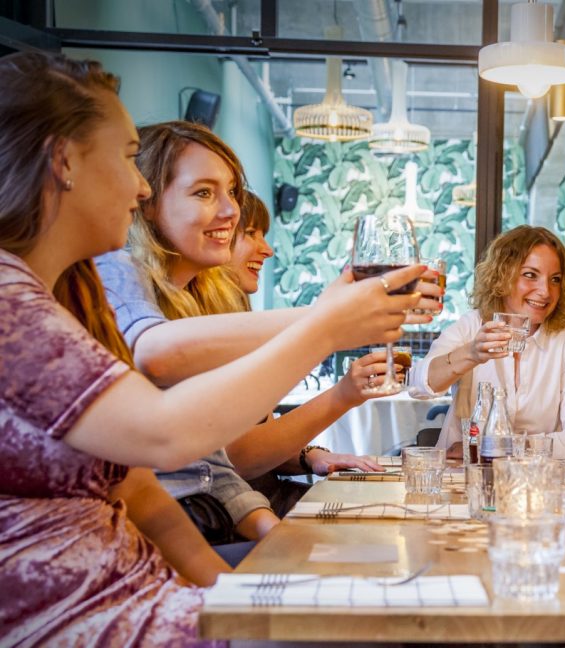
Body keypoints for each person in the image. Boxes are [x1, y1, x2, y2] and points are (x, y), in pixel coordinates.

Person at [0, 51, 424, 644]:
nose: (141, 185)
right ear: (63, 160)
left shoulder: (72, 293)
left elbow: (142, 492)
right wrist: (327, 325)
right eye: (128, 158)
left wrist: (232, 606)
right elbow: (164, 430)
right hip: (81, 616)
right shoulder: (11, 298)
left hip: (142, 588)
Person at [96, 122, 429, 549]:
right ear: (145, 201)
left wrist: (270, 526)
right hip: (156, 539)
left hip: (212, 524)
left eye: (232, 192)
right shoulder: (115, 271)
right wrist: (328, 321)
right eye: (203, 192)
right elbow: (158, 355)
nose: (231, 211)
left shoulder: (199, 300)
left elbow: (217, 466)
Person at [223, 192, 401, 517]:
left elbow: (255, 440)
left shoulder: (232, 317)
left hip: (270, 501)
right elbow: (239, 460)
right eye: (250, 233)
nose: (267, 249)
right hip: (243, 516)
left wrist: (311, 456)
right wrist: (344, 394)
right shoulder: (200, 332)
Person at [408, 226, 565, 461]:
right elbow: (418, 386)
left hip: (533, 482)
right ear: (502, 275)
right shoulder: (472, 326)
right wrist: (471, 354)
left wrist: (500, 447)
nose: (545, 291)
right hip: (460, 476)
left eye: (555, 279)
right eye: (530, 275)